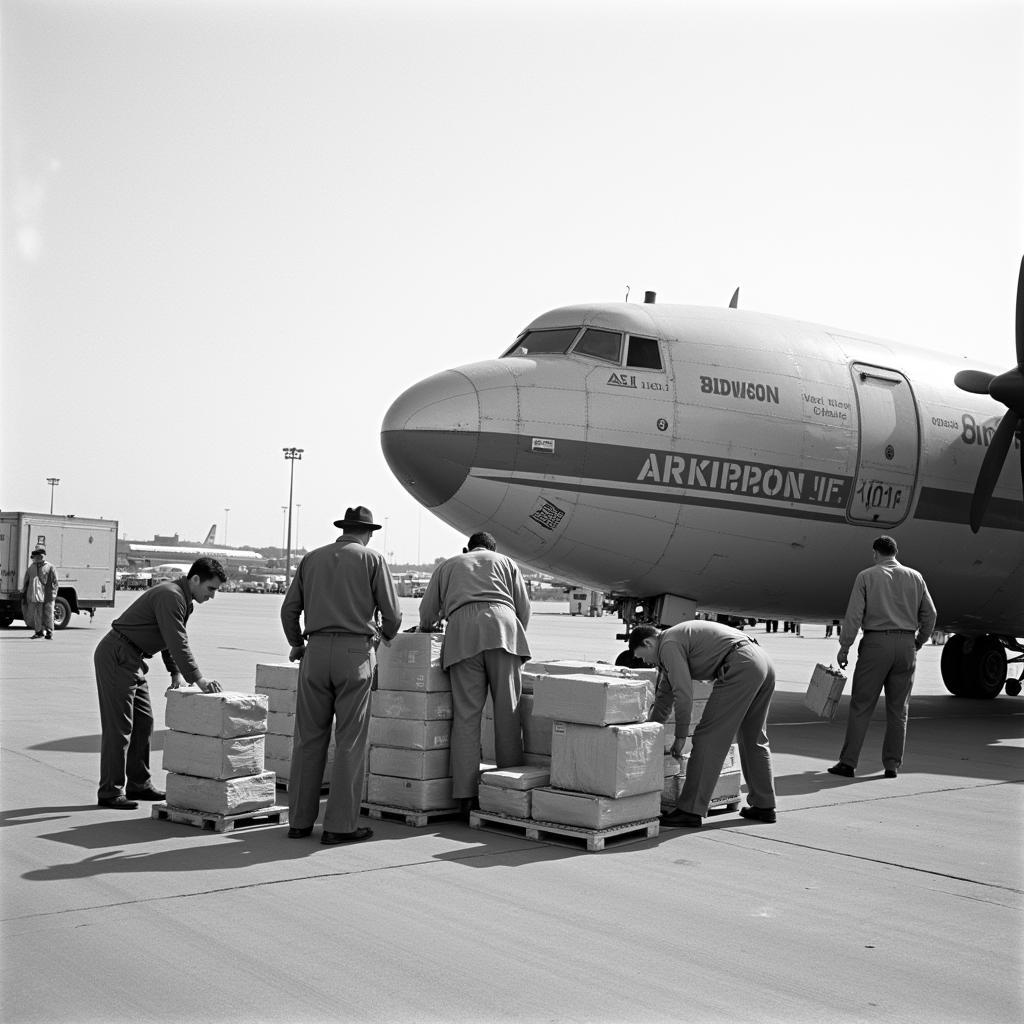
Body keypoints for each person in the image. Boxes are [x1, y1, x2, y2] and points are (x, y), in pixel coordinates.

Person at [281, 506, 401, 845]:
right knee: (350, 740)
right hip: (355, 655)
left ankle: (299, 822)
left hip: (315, 652)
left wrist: (297, 643)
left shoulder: (311, 559)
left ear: (343, 529)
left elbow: (289, 610)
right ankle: (339, 826)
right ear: (369, 533)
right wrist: (383, 634)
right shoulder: (372, 560)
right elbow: (392, 614)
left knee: (308, 739)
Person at [93, 557, 225, 810]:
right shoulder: (170, 595)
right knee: (119, 728)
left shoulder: (184, 602)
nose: (212, 595)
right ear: (195, 579)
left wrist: (174, 672)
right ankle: (110, 791)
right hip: (118, 656)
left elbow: (169, 639)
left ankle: (139, 784)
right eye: (211, 588)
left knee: (144, 723)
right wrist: (198, 679)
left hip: (133, 659)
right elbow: (177, 641)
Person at [418, 531, 530, 815]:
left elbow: (428, 611)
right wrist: (515, 637)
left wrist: (428, 627)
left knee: (467, 716)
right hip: (504, 629)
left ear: (467, 548)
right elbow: (523, 608)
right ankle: (507, 791)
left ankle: (466, 795)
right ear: (494, 548)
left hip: (462, 633)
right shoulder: (507, 562)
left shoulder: (449, 564)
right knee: (508, 711)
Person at [629, 618, 777, 828]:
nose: (645, 663)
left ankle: (690, 810)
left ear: (648, 643)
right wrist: (649, 734)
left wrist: (680, 737)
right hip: (761, 661)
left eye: (641, 657)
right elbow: (664, 697)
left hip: (741, 665)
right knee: (753, 736)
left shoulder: (668, 645)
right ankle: (764, 806)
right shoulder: (674, 640)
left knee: (708, 738)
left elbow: (684, 695)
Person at [829, 535, 937, 780]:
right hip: (907, 644)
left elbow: (854, 615)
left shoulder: (867, 576)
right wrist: (918, 641)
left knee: (861, 705)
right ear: (895, 552)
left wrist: (845, 646)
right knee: (899, 709)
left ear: (875, 553)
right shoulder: (915, 577)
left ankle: (848, 763)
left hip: (876, 644)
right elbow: (930, 614)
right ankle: (892, 765)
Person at [23, 548, 58, 639]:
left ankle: (49, 631)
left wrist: (53, 594)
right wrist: (25, 592)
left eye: (34, 557)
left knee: (49, 613)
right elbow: (26, 581)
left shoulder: (50, 567)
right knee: (37, 614)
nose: (33, 559)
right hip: (36, 595)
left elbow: (55, 582)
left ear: (40, 557)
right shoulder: (32, 567)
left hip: (48, 595)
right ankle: (39, 632)